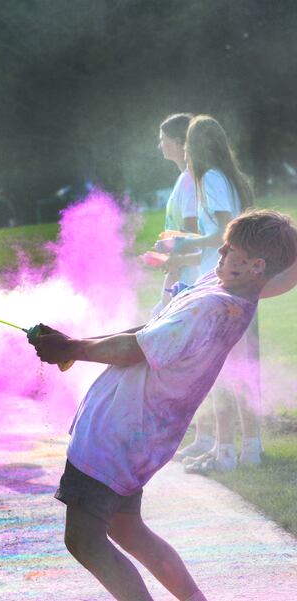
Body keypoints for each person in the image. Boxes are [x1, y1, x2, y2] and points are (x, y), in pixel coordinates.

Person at [29, 209, 297, 601]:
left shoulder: (210, 307)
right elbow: (148, 333)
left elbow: (134, 348)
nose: (219, 250)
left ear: (257, 266)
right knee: (126, 527)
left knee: (84, 539)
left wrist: (71, 349)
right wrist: (75, 344)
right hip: (139, 439)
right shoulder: (231, 290)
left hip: (115, 437)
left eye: (231, 248)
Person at [165, 116, 260, 472]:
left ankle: (224, 453)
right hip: (242, 280)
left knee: (219, 368)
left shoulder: (210, 179)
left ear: (197, 145)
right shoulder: (231, 179)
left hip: (222, 281)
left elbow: (224, 231)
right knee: (242, 366)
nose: (185, 149)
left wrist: (184, 243)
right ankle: (248, 448)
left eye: (188, 142)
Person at [152, 113, 199, 314]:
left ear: (179, 142)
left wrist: (175, 261)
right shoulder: (184, 178)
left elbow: (191, 227)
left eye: (163, 139)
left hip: (188, 273)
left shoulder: (190, 180)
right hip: (179, 267)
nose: (160, 145)